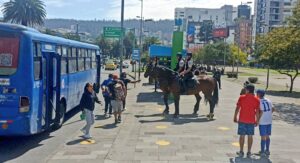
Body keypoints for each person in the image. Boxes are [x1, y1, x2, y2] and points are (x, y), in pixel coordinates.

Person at [233, 84, 260, 158]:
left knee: (242, 136)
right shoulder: (257, 99)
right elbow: (257, 112)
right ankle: (249, 152)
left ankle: (241, 151)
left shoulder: (242, 97)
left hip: (242, 120)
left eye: (245, 89)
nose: (245, 90)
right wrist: (257, 120)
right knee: (250, 136)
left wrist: (235, 116)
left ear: (248, 90)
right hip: (251, 120)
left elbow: (237, 108)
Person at [256, 89, 275, 156]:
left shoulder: (258, 101)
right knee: (267, 136)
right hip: (269, 120)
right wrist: (269, 114)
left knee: (263, 137)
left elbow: (260, 111)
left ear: (258, 94)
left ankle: (262, 151)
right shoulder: (268, 100)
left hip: (262, 121)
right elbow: (273, 108)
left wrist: (257, 120)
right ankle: (267, 150)